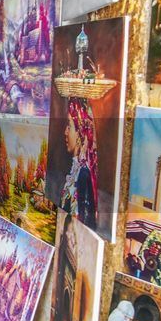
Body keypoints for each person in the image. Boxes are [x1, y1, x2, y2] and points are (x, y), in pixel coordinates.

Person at [59, 99, 99, 231]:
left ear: (80, 132)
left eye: (69, 126)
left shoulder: (84, 175)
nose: (65, 132)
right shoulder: (75, 171)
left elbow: (83, 227)